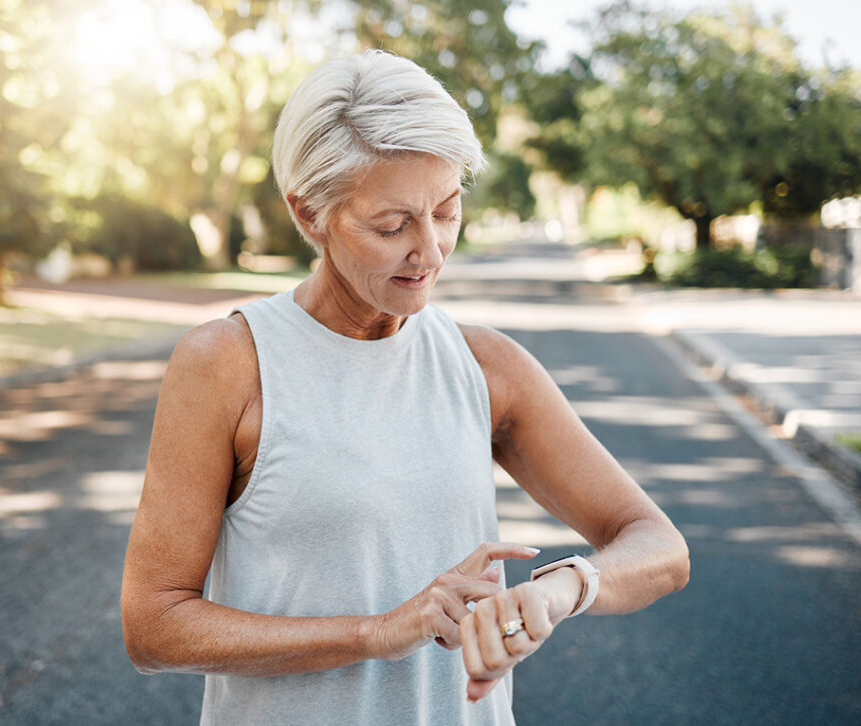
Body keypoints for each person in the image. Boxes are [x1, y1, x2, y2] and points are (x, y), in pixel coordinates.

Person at [121, 50, 689, 726]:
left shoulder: (486, 366)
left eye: (446, 211)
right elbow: (153, 627)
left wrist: (563, 590)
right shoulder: (228, 363)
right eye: (392, 226)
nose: (431, 250)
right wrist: (375, 632)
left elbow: (658, 546)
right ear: (309, 215)